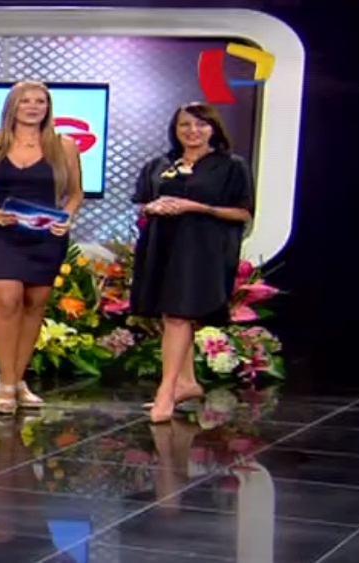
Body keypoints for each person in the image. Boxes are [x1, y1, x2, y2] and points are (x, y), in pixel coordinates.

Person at [0, 81, 84, 415]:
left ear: (48, 107)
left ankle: (17, 380)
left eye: (40, 101)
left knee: (34, 304)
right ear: (12, 106)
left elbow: (75, 193)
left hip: (45, 235)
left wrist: (67, 217)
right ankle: (5, 382)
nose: (33, 107)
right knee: (7, 299)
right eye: (25, 101)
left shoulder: (63, 146)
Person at [130, 102, 254, 424]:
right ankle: (186, 382)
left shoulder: (231, 166)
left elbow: (242, 212)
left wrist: (197, 207)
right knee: (171, 315)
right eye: (185, 124)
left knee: (178, 315)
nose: (192, 131)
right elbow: (141, 204)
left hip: (203, 250)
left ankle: (166, 391)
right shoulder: (160, 164)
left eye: (201, 124)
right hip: (162, 246)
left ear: (214, 129)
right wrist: (153, 207)